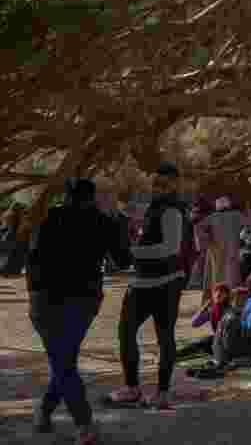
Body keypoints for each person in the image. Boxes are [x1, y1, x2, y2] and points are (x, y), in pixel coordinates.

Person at [27, 178, 133, 445]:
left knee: (63, 361)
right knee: (65, 359)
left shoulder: (50, 218)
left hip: (47, 300)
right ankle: (52, 414)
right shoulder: (104, 222)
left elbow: (32, 258)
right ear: (92, 197)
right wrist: (120, 228)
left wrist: (33, 295)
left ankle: (79, 423)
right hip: (83, 301)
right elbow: (123, 261)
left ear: (67, 196)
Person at [108, 162, 194, 410]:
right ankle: (132, 388)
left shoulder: (172, 211)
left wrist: (134, 252)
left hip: (165, 283)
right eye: (155, 182)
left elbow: (170, 248)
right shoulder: (154, 208)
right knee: (126, 332)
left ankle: (162, 393)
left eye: (163, 183)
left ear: (174, 184)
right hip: (142, 281)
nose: (157, 187)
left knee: (164, 338)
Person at [196, 196, 243, 293]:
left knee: (218, 274)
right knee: (231, 274)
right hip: (231, 249)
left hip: (217, 249)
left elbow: (198, 228)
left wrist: (207, 240)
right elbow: (250, 224)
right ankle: (229, 295)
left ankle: (218, 295)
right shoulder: (237, 215)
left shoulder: (213, 216)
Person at [178, 282, 231, 360]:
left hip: (225, 342)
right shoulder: (212, 310)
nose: (218, 294)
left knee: (202, 343)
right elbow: (194, 323)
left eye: (221, 292)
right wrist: (204, 307)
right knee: (198, 343)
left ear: (226, 295)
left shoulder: (229, 310)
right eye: (216, 291)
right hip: (216, 340)